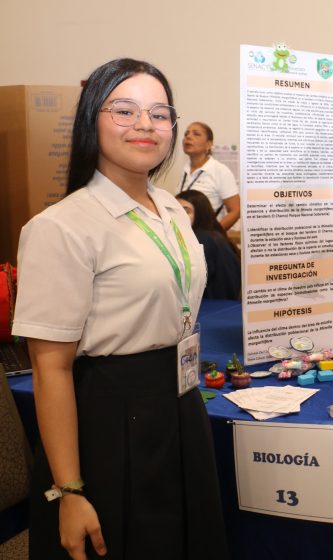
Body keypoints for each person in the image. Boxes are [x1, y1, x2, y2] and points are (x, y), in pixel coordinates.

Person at [12, 58, 227, 559]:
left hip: (179, 405)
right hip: (110, 421)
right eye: (124, 111)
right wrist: (68, 492)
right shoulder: (61, 227)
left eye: (159, 113)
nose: (145, 126)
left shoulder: (172, 209)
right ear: (92, 119)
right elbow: (51, 367)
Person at [177, 189, 241, 300]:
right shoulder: (214, 235)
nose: (178, 216)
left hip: (210, 307)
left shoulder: (202, 240)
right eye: (175, 211)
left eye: (186, 211)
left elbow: (187, 282)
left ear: (200, 212)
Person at [180, 121, 240, 230]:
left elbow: (236, 210)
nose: (188, 136)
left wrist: (214, 234)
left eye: (196, 134)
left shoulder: (220, 171)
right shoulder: (185, 169)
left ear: (209, 144)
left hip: (206, 239)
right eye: (186, 134)